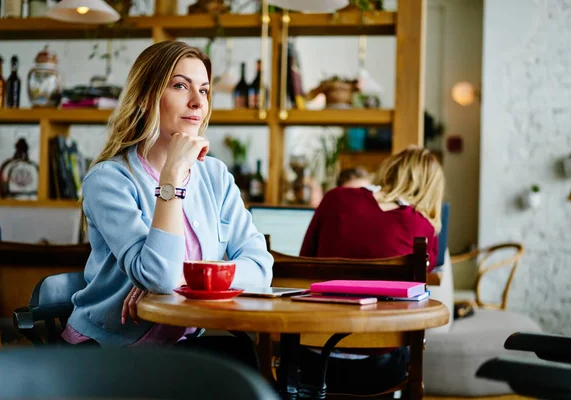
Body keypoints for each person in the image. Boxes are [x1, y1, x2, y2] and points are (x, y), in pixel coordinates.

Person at [62, 41, 273, 366]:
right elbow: (160, 277)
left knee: (245, 361)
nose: (197, 102)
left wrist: (183, 279)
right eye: (180, 86)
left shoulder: (215, 175)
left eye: (203, 91)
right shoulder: (108, 180)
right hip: (108, 352)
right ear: (146, 97)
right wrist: (171, 179)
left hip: (176, 347)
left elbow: (260, 269)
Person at [299, 147, 445, 395]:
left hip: (314, 353)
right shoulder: (422, 226)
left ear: (388, 170)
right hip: (379, 364)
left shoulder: (335, 198)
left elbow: (304, 263)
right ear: (431, 189)